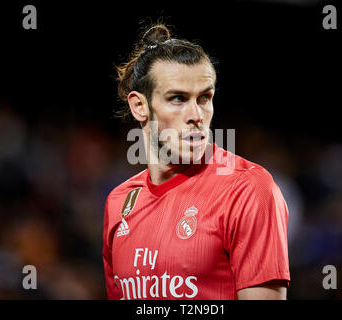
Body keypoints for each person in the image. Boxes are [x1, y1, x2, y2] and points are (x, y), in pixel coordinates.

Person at [103, 23, 290, 300]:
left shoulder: (248, 189)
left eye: (204, 98)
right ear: (139, 106)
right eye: (178, 99)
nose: (196, 115)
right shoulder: (118, 203)